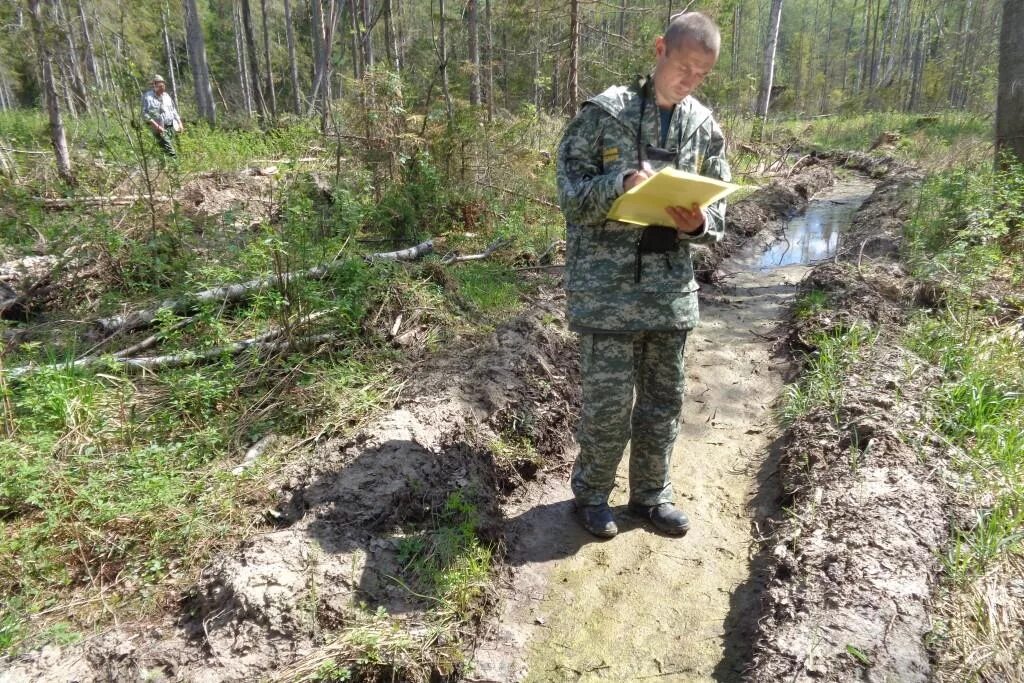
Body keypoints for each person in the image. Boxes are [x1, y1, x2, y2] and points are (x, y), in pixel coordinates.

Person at [555, 12, 730, 539]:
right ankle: (591, 496)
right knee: (608, 408)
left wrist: (699, 223)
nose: (690, 80)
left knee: (662, 403)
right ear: (660, 49)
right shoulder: (604, 114)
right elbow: (571, 195)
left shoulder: (703, 127)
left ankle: (652, 496)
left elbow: (719, 213)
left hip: (669, 293)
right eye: (683, 67)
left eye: (702, 74)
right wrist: (621, 184)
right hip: (607, 293)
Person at [141, 74, 183, 158]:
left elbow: (174, 110)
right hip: (159, 128)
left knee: (176, 149)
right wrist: (156, 126)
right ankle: (175, 163)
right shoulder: (148, 97)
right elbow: (144, 114)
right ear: (154, 85)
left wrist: (180, 123)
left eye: (163, 85)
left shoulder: (166, 96)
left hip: (172, 126)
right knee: (170, 152)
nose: (162, 87)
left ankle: (167, 163)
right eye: (160, 85)